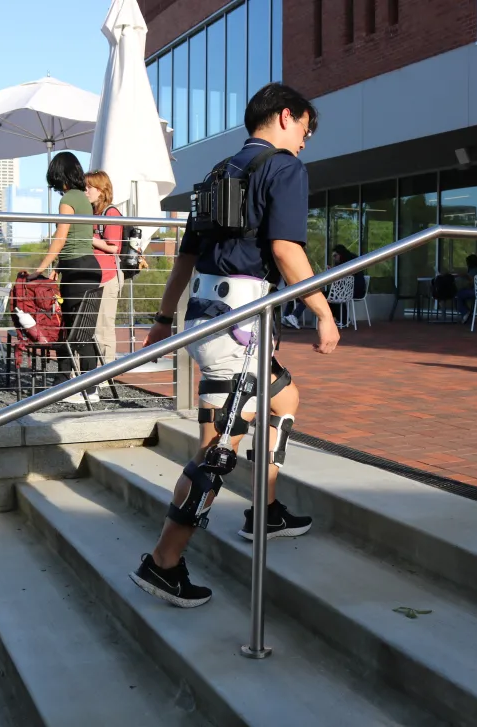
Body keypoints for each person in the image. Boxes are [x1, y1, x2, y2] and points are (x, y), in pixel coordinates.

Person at [129, 83, 339, 608]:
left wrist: (162, 319)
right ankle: (164, 562)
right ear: (286, 117)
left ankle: (265, 510)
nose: (305, 143)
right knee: (217, 452)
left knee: (283, 400)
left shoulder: (219, 173)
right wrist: (324, 312)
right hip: (239, 324)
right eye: (305, 131)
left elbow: (185, 258)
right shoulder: (283, 168)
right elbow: (286, 248)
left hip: (212, 318)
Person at [35, 152, 103, 403]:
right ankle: (79, 385)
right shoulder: (84, 199)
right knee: (81, 329)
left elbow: (62, 238)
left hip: (77, 269)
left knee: (73, 329)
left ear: (57, 173)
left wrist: (41, 268)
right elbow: (76, 238)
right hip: (88, 267)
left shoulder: (67, 200)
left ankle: (76, 386)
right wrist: (57, 267)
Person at [85, 170, 124, 364]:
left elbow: (114, 246)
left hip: (107, 278)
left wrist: (90, 239)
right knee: (94, 327)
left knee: (104, 327)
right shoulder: (94, 213)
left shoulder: (111, 212)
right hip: (94, 278)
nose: (86, 190)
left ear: (101, 190)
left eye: (89, 187)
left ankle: (105, 372)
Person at [281, 244, 365, 329]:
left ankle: (294, 316)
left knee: (314, 294)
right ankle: (343, 319)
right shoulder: (345, 262)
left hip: (352, 291)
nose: (334, 258)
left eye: (335, 256)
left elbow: (345, 278)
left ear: (341, 254)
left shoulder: (350, 262)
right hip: (345, 291)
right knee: (318, 295)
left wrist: (332, 272)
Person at [457, 254, 477, 323]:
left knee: (459, 294)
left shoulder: (473, 270)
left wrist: (465, 277)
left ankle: (465, 312)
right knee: (463, 295)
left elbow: (473, 282)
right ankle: (467, 314)